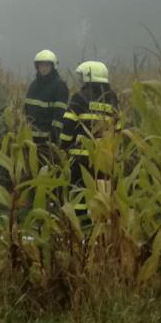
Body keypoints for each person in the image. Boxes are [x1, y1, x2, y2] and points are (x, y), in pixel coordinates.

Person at [55, 62, 119, 219]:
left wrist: (63, 146)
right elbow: (118, 128)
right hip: (105, 157)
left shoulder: (79, 98)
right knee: (102, 190)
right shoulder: (112, 99)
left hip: (81, 158)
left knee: (79, 191)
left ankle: (81, 222)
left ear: (88, 77)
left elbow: (68, 126)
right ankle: (101, 222)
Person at [22, 49, 69, 153]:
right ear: (37, 67)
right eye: (41, 65)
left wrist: (54, 137)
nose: (43, 68)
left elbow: (60, 114)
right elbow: (26, 110)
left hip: (48, 141)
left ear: (53, 66)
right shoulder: (33, 85)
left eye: (47, 65)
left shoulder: (60, 86)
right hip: (30, 140)